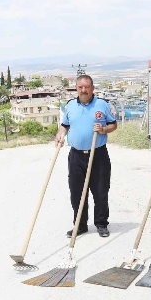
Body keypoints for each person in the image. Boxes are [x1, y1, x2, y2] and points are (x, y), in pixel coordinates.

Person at [55, 74, 117, 238]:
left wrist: (103, 129)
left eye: (86, 87)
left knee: (101, 191)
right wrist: (60, 135)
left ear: (92, 88)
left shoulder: (102, 105)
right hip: (76, 155)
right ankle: (80, 225)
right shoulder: (70, 106)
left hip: (98, 155)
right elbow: (64, 126)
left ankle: (101, 224)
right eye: (80, 87)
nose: (83, 90)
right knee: (77, 192)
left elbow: (113, 124)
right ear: (76, 88)